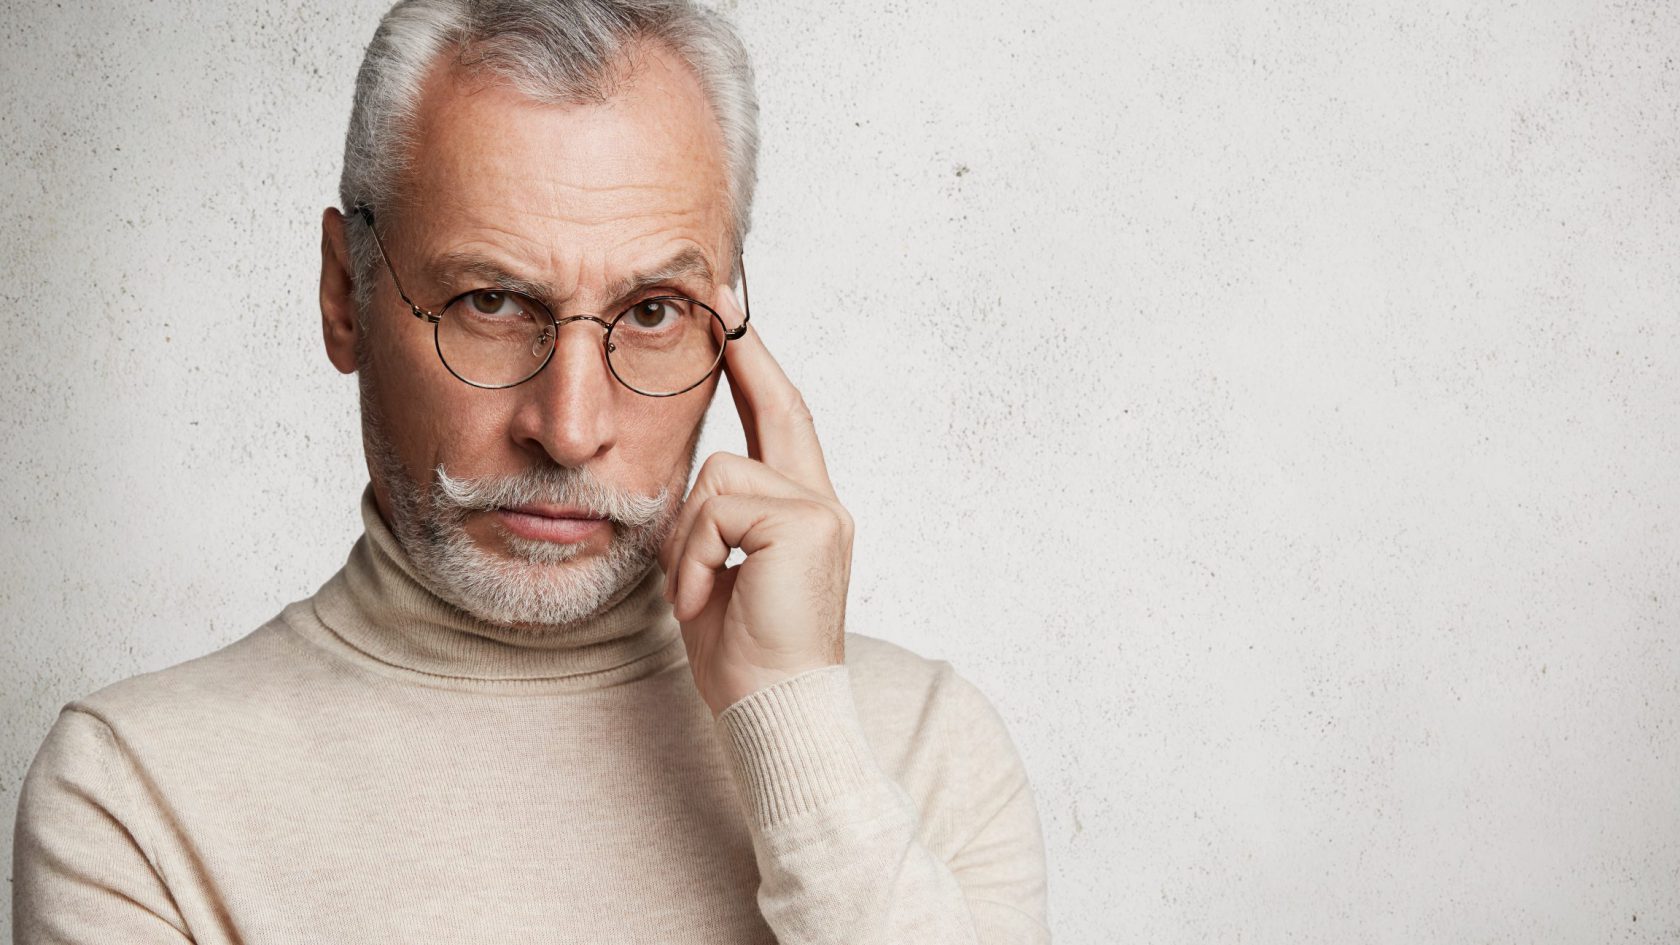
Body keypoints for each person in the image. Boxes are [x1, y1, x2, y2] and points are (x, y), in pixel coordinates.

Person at [11, 1, 1050, 941]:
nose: (571, 427)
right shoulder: (140, 797)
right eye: (492, 302)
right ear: (344, 295)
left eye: (653, 312)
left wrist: (801, 743)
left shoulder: (919, 752)